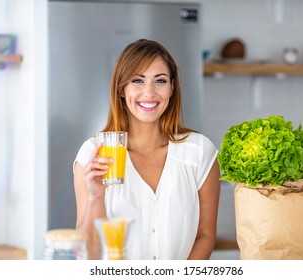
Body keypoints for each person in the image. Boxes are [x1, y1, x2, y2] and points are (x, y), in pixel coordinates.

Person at [73, 39, 220, 260]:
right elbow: (88, 254)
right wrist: (96, 197)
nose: (149, 92)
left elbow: (205, 236)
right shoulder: (92, 155)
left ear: (171, 88)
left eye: (160, 81)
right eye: (137, 81)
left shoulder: (199, 152)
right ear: (122, 89)